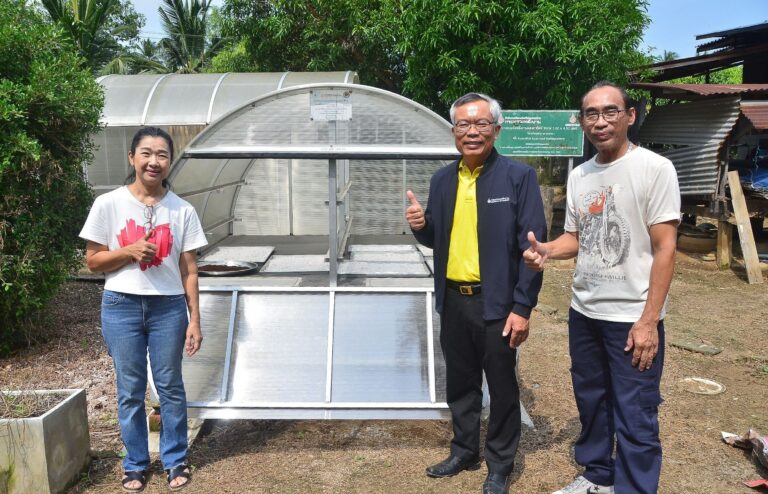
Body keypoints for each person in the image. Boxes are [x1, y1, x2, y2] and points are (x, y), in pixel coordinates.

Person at [523, 81, 680, 494]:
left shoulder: (654, 169)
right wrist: (547, 251)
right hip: (585, 312)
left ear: (629, 116)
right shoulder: (580, 175)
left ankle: (634, 487)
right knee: (591, 399)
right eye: (591, 114)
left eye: (610, 111)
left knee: (635, 410)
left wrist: (649, 321)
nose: (600, 121)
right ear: (581, 122)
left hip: (631, 317)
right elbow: (579, 236)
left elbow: (666, 249)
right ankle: (597, 474)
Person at [406, 93, 547, 494]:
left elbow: (532, 248)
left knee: (502, 387)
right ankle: (464, 450)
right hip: (453, 300)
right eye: (464, 125)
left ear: (496, 129)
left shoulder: (518, 178)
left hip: (497, 304)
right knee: (461, 383)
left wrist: (523, 306)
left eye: (481, 124)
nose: (472, 132)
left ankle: (499, 464)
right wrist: (421, 225)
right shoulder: (442, 180)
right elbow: (439, 238)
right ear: (454, 132)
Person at [79, 127, 208, 492]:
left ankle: (175, 459)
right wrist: (129, 252)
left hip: (168, 308)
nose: (154, 161)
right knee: (131, 389)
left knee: (170, 386)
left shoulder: (182, 210)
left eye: (163, 155)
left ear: (170, 161)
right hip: (120, 305)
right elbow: (93, 261)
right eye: (147, 153)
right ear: (132, 158)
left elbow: (189, 269)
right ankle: (135, 463)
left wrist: (194, 319)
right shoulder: (109, 204)